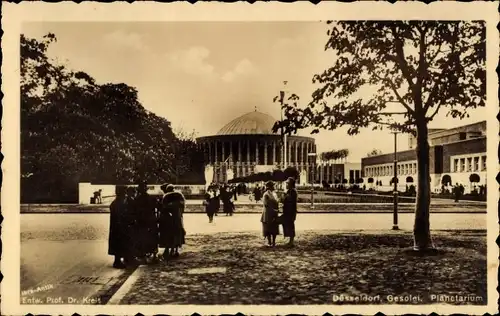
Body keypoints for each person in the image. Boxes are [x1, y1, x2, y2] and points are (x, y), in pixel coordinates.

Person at [133, 181, 159, 264]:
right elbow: (157, 208)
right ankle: (154, 254)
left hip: (141, 221)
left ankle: (143, 254)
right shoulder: (151, 198)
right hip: (150, 220)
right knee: (152, 237)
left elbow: (135, 211)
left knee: (142, 237)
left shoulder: (137, 199)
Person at [160, 184, 186, 258]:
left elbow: (163, 207)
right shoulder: (179, 195)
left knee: (168, 234)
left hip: (168, 218)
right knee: (177, 233)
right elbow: (182, 206)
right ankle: (175, 250)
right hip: (177, 217)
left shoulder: (166, 196)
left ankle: (167, 249)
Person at [108, 186, 129, 269]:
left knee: (119, 244)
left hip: (116, 227)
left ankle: (119, 259)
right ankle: (117, 261)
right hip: (119, 227)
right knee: (119, 244)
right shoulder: (119, 203)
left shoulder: (116, 202)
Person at [261, 181, 279, 247]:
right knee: (268, 228)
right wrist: (273, 209)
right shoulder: (266, 194)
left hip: (274, 213)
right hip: (268, 213)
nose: (274, 187)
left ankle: (274, 242)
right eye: (273, 186)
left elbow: (277, 202)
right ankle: (269, 242)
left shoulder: (274, 194)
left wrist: (277, 209)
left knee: (274, 228)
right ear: (270, 187)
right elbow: (266, 204)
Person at [282, 177, 298, 247]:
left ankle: (291, 242)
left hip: (291, 212)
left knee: (291, 225)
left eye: (287, 183)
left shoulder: (293, 191)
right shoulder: (288, 191)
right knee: (287, 224)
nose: (286, 184)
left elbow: (291, 201)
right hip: (287, 211)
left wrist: (285, 197)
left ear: (291, 184)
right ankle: (289, 240)